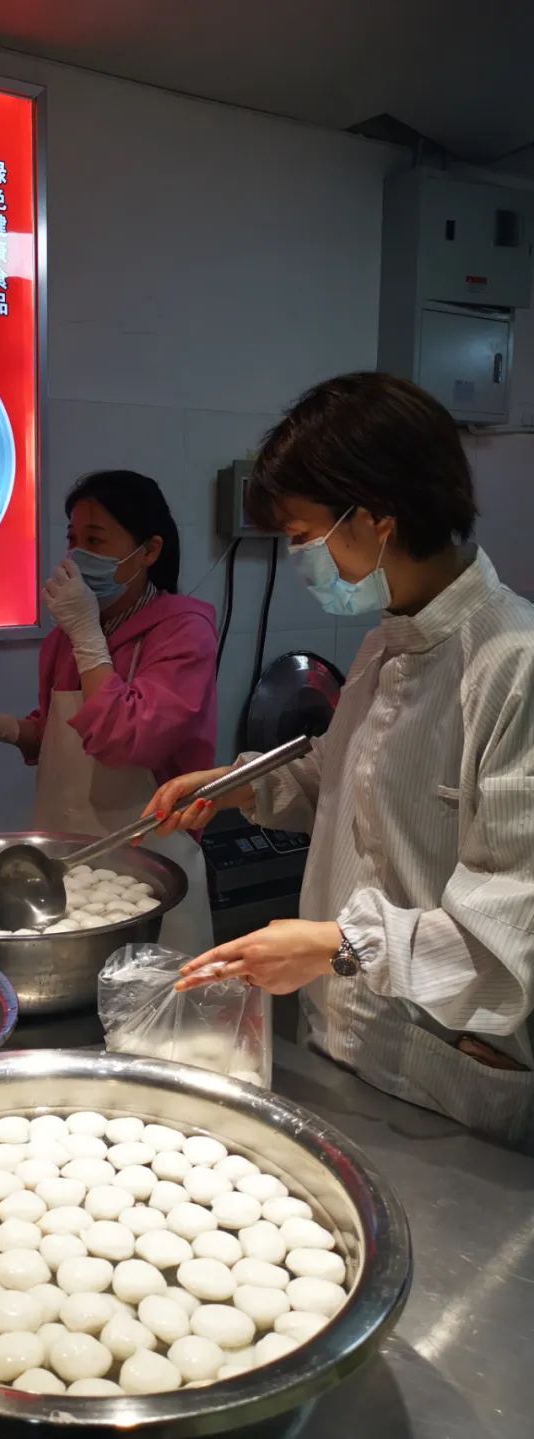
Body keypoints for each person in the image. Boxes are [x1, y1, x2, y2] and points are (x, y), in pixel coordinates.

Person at [146, 372, 534, 1150]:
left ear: (377, 518)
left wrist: (334, 943)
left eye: (301, 535)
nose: (297, 558)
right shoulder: (389, 638)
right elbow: (344, 778)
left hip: (449, 1073)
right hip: (346, 1043)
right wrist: (237, 787)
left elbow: (509, 934)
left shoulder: (512, 665)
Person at [0, 469, 218, 953]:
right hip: (61, 857)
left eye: (96, 539)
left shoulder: (182, 632)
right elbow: (63, 733)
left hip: (149, 861)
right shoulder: (68, 636)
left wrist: (88, 637)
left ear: (149, 550)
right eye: (73, 538)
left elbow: (126, 737)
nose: (77, 555)